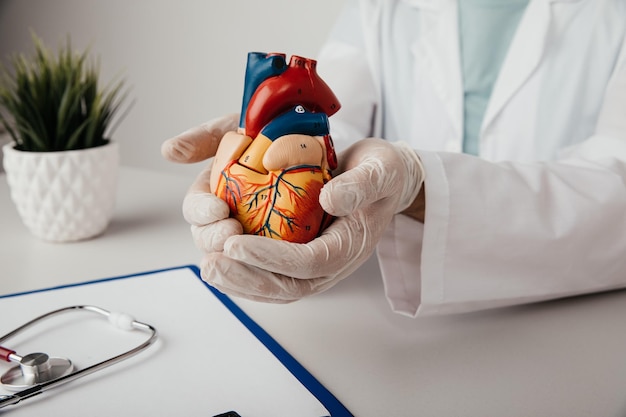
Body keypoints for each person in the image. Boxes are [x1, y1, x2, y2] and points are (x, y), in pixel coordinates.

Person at [161, 0, 626, 317]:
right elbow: (334, 125)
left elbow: (617, 188)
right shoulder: (383, 8)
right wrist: (270, 137)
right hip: (382, 316)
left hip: (575, 321)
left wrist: (418, 185)